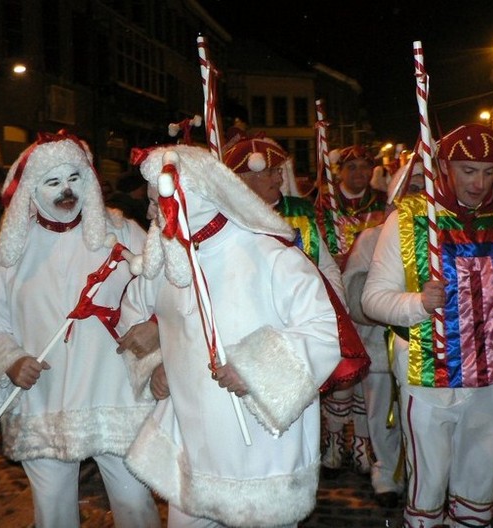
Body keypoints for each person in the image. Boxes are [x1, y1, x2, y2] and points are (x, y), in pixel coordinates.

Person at [120, 144, 370, 527]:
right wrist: (156, 363)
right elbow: (135, 317)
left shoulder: (271, 256)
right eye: (152, 203)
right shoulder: (166, 258)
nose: (155, 214)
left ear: (199, 195)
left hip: (263, 459)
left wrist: (254, 369)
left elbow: (324, 331)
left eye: (164, 202)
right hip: (191, 455)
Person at [0, 131, 161, 528]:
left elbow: (172, 291)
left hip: (115, 396)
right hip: (43, 401)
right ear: (31, 190)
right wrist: (10, 359)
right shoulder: (7, 254)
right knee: (53, 512)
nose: (66, 190)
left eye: (74, 178)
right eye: (53, 182)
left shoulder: (122, 234)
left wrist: (156, 327)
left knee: (135, 505)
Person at [361, 123, 493, 527]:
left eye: (488, 170)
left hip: (491, 380)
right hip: (427, 377)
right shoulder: (409, 219)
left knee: (478, 493)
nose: (479, 183)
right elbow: (371, 300)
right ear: (444, 166)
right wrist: (418, 303)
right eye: (468, 170)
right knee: (426, 492)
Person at [341, 159, 425, 508]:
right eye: (412, 192)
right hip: (381, 343)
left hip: (426, 347)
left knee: (418, 418)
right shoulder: (373, 236)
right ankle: (385, 471)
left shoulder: (438, 238)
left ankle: (418, 475)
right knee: (381, 414)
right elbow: (355, 289)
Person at [316, 145, 387, 477]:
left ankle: (361, 443)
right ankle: (332, 439)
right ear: (339, 170)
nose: (359, 174)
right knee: (340, 374)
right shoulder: (321, 206)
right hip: (334, 300)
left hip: (368, 301)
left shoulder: (383, 207)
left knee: (369, 377)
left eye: (365, 168)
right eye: (352, 167)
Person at [222, 134, 343, 295]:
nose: (280, 179)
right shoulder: (227, 220)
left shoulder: (301, 212)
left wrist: (334, 303)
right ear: (244, 179)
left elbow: (327, 268)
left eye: (279, 170)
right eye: (270, 172)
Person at [105, 167, 151, 231]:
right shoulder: (128, 208)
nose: (143, 192)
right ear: (132, 189)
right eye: (142, 189)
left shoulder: (119, 203)